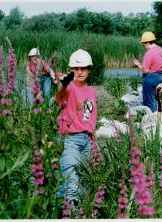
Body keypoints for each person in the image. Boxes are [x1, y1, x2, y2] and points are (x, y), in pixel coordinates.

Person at [55, 49, 97, 204]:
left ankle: (59, 208)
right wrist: (63, 83)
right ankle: (70, 212)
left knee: (82, 178)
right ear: (71, 70)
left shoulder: (91, 91)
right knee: (71, 180)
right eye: (76, 69)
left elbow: (89, 115)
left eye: (83, 68)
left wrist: (92, 132)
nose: (80, 72)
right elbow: (59, 94)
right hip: (70, 139)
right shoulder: (69, 88)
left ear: (89, 70)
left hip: (86, 139)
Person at [133, 31, 162, 112]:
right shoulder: (159, 49)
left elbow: (145, 71)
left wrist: (138, 65)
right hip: (161, 77)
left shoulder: (149, 53)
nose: (143, 45)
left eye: (143, 43)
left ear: (147, 42)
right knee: (157, 101)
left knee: (149, 102)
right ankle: (158, 119)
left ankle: (151, 120)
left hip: (151, 79)